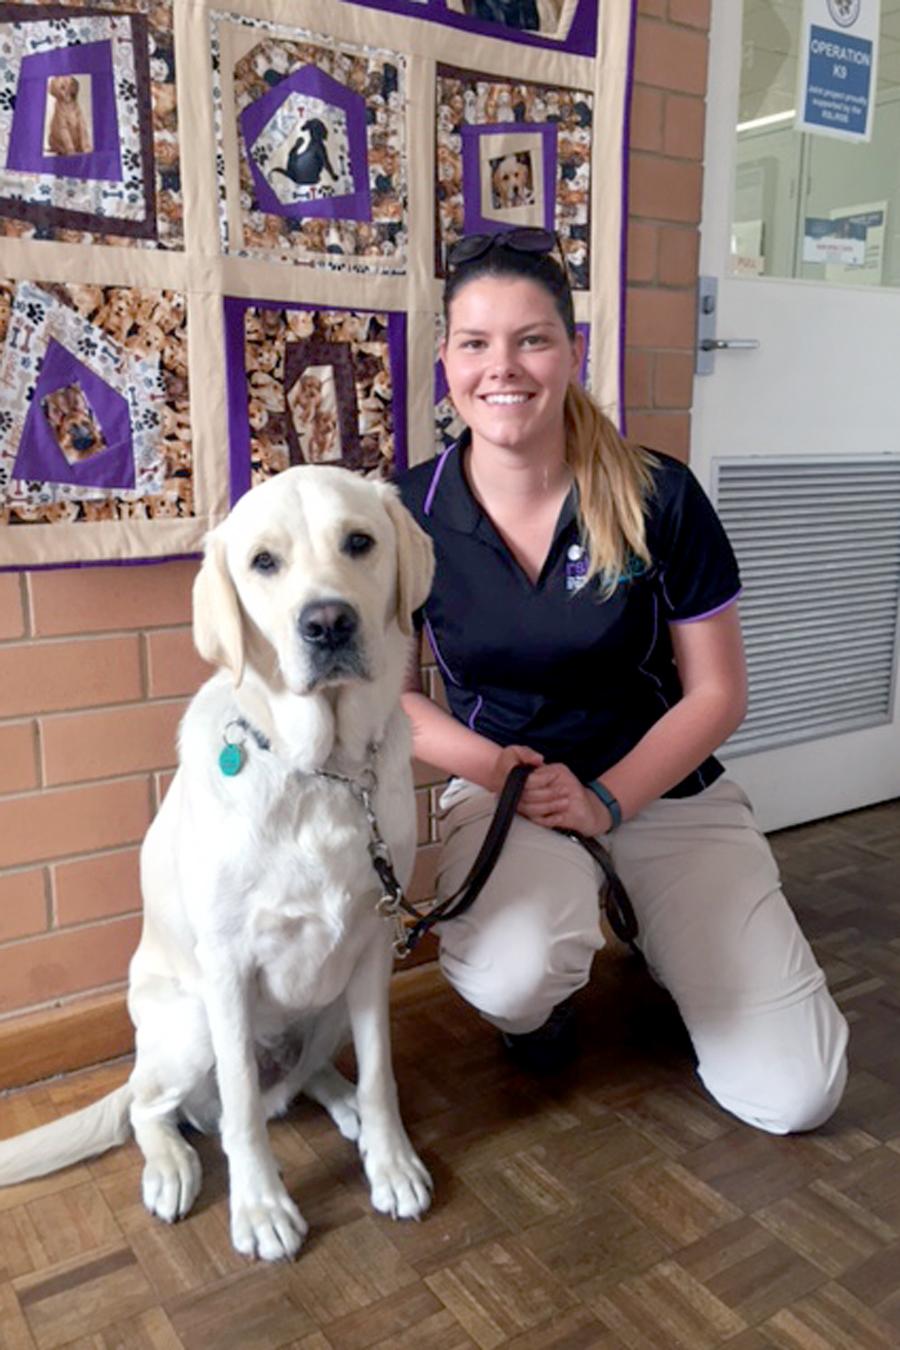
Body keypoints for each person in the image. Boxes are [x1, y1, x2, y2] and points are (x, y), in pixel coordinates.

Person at [395, 228, 848, 1135]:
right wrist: (498, 772)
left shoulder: (658, 494)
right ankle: (550, 1001)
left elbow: (719, 692)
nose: (503, 367)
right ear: (445, 358)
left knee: (797, 1095)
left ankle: (647, 915)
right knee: (517, 975)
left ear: (573, 352)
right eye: (475, 343)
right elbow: (394, 699)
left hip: (662, 788)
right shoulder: (406, 511)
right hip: (508, 794)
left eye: (532, 339)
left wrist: (605, 799)